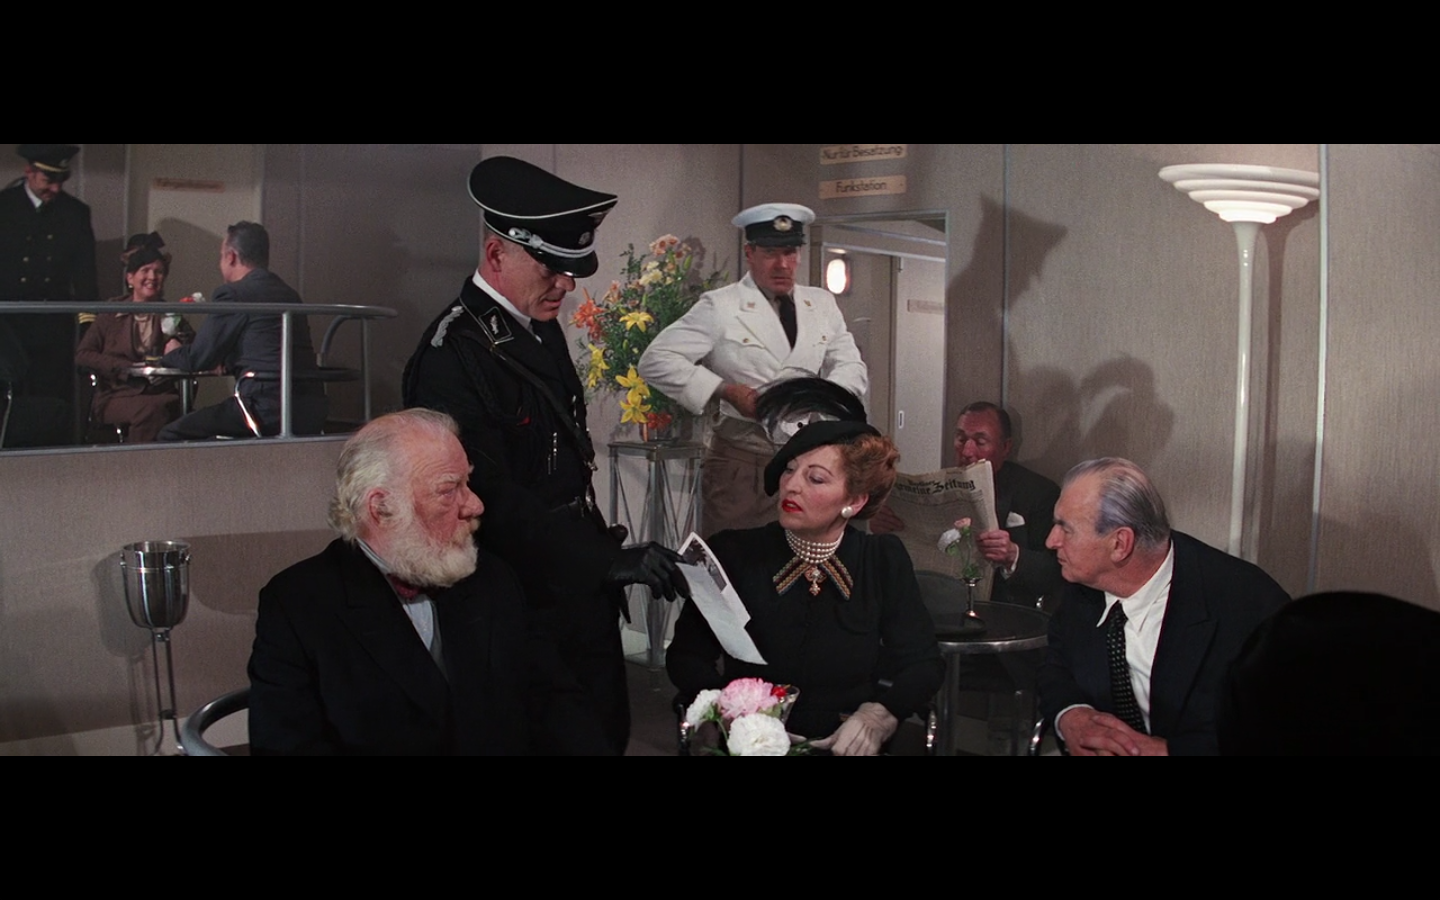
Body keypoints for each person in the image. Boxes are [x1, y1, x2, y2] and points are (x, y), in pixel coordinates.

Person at [402, 156, 689, 756]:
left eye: (570, 269)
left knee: (604, 731)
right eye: (550, 267)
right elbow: (486, 497)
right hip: (512, 600)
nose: (566, 284)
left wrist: (600, 561)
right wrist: (605, 561)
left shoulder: (533, 324)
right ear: (496, 253)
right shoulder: (453, 355)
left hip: (571, 585)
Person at [248, 409, 543, 755]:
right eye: (449, 490)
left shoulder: (491, 578)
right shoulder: (297, 605)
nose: (475, 505)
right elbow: (286, 748)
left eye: (468, 483)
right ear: (382, 508)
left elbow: (551, 701)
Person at [667, 420, 943, 755]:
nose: (791, 486)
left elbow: (924, 663)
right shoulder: (734, 552)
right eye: (789, 470)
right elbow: (686, 655)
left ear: (854, 501)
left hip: (847, 744)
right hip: (750, 741)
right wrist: (724, 708)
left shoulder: (881, 560)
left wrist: (881, 714)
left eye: (815, 478)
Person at [638, 202, 868, 536]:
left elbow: (850, 364)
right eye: (771, 253)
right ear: (750, 253)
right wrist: (726, 391)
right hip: (742, 462)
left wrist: (821, 399)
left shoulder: (820, 304)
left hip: (806, 460)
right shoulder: (721, 306)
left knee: (800, 559)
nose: (782, 264)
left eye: (790, 252)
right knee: (733, 558)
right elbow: (657, 359)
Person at [1036, 457, 1289, 756]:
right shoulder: (1083, 584)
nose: (1051, 541)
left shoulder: (1249, 605)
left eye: (1066, 529)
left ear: (1120, 544)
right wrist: (1071, 715)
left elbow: (1282, 726)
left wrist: (1168, 752)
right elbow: (1056, 665)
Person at [872, 401, 1062, 607]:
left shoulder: (1037, 492)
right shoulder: (941, 484)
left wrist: (1012, 555)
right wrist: (882, 524)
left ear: (1005, 447)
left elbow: (1054, 572)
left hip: (1002, 608)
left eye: (980, 442)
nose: (967, 451)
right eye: (961, 439)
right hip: (937, 601)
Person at [156, 221, 324, 440]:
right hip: (308, 408)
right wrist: (230, 360)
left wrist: (171, 352)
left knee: (171, 434)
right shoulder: (289, 294)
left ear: (231, 257)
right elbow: (267, 347)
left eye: (221, 256)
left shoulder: (234, 295)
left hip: (262, 409)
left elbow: (197, 358)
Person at [0, 144, 98, 444]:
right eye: (48, 180)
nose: (55, 188)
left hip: (52, 328)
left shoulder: (75, 213)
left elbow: (85, 277)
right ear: (29, 171)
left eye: (60, 180)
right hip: (6, 328)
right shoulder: (4, 207)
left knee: (53, 404)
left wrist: (88, 328)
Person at [74, 233, 194, 443]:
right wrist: (123, 367)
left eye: (158, 272)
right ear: (130, 278)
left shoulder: (171, 313)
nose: (152, 277)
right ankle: (138, 462)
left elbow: (195, 350)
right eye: (145, 270)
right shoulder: (111, 312)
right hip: (117, 394)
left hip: (160, 393)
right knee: (151, 411)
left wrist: (180, 344)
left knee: (168, 410)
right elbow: (83, 355)